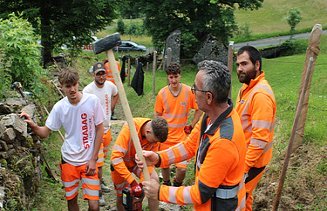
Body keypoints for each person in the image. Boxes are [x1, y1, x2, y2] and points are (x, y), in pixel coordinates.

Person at [137, 60, 247, 210]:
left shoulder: (224, 141)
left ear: (209, 97)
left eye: (195, 89)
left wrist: (159, 191)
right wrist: (159, 158)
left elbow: (199, 194)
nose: (192, 92)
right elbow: (188, 146)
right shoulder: (210, 117)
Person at [21, 68, 104, 211]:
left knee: (94, 205)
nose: (72, 89)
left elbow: (100, 128)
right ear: (61, 87)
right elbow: (45, 132)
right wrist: (33, 125)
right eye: (68, 86)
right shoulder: (59, 107)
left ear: (78, 83)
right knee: (71, 201)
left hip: (88, 160)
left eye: (74, 85)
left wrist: (93, 159)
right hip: (68, 160)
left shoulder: (92, 101)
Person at [235, 46, 276, 211]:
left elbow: (259, 139)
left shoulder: (260, 95)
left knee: (237, 198)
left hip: (252, 162)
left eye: (244, 64)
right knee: (244, 197)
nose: (239, 69)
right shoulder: (246, 88)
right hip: (243, 157)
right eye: (237, 65)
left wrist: (244, 168)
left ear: (257, 65)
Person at [154, 63, 202, 187]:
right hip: (165, 138)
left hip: (182, 138)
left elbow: (199, 109)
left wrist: (192, 125)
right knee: (164, 166)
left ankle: (176, 186)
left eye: (176, 76)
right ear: (167, 78)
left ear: (180, 76)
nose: (173, 80)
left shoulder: (188, 91)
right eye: (171, 77)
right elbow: (157, 115)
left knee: (182, 169)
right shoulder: (162, 94)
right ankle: (166, 185)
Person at [110, 117, 168, 211]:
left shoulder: (155, 135)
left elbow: (149, 164)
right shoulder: (130, 127)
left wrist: (141, 186)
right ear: (148, 132)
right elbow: (115, 158)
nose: (154, 143)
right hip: (121, 164)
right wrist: (132, 182)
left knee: (154, 180)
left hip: (138, 164)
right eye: (153, 141)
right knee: (123, 195)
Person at [83, 62, 119, 206]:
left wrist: (111, 107)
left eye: (103, 73)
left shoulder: (110, 86)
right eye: (98, 73)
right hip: (94, 133)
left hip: (107, 129)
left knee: (101, 162)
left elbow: (116, 94)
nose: (101, 76)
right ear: (94, 75)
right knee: (96, 162)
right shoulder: (88, 90)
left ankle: (100, 182)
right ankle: (97, 192)